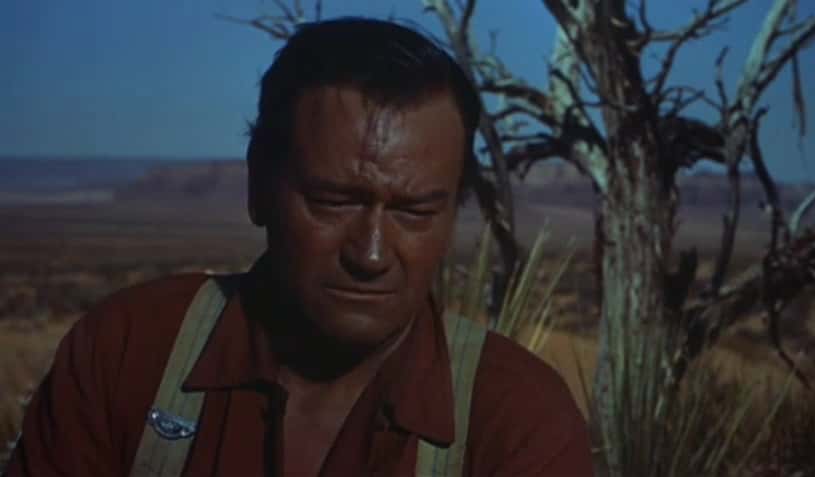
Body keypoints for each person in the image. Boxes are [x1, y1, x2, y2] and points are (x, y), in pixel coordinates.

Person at [5, 18, 594, 477]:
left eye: (415, 212)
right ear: (259, 186)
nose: (369, 254)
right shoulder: (129, 355)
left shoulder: (516, 420)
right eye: (334, 202)